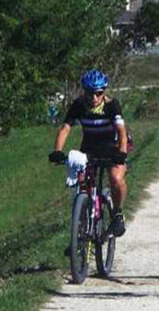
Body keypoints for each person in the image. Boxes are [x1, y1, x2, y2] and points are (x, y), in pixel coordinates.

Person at [49, 69, 129, 237]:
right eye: (89, 93)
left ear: (104, 92)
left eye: (98, 93)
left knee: (115, 178)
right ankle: (80, 235)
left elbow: (121, 132)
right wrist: (57, 151)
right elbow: (65, 129)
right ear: (83, 91)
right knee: (83, 184)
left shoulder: (111, 105)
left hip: (113, 145)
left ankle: (118, 213)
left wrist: (121, 153)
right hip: (90, 146)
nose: (94, 98)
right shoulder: (78, 105)